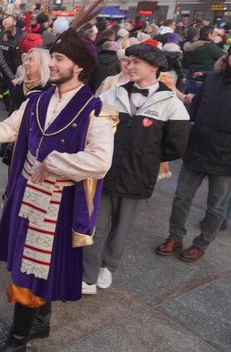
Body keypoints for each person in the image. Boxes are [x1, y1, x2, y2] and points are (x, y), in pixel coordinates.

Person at [0, 8, 116, 351]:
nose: (51, 64)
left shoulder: (96, 110)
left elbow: (101, 161)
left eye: (58, 59)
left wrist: (54, 162)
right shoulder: (36, 101)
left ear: (80, 67)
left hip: (59, 204)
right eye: (52, 58)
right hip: (28, 194)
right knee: (32, 265)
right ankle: (40, 323)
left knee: (34, 268)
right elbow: (4, 130)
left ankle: (18, 338)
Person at [82, 44, 189, 294]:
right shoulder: (111, 94)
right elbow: (93, 128)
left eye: (135, 62)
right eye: (128, 61)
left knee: (121, 227)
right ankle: (87, 275)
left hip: (137, 177)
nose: (129, 66)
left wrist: (146, 159)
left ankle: (107, 266)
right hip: (104, 172)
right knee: (95, 226)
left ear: (154, 67)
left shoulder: (171, 103)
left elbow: (176, 146)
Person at [155, 51, 231, 262]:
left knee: (216, 206)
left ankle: (201, 244)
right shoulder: (213, 79)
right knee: (181, 196)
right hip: (197, 147)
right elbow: (193, 110)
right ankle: (175, 236)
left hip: (227, 157)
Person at [183, 26, 227, 94]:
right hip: (204, 79)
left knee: (188, 101)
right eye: (215, 34)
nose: (216, 36)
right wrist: (220, 43)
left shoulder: (191, 46)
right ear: (209, 35)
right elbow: (225, 58)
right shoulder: (211, 47)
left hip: (190, 78)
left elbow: (185, 63)